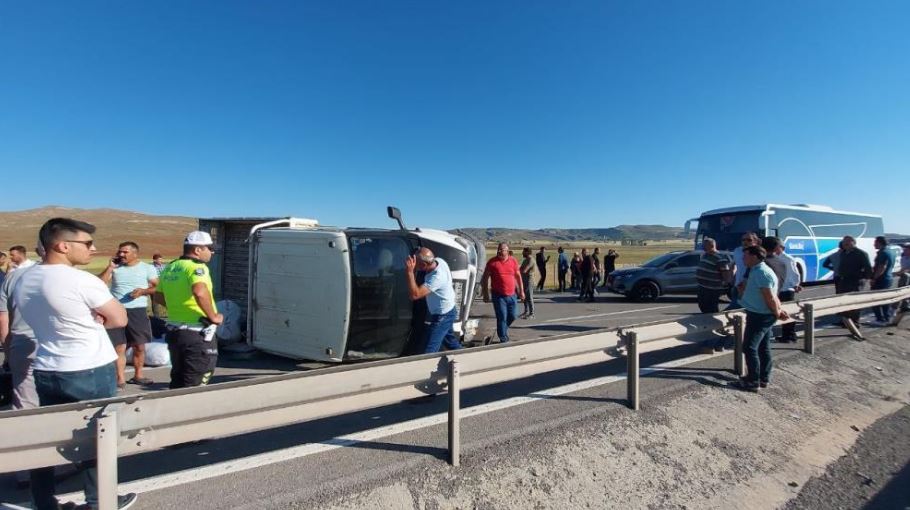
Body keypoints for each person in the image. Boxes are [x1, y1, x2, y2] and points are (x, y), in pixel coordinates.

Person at [12, 218, 136, 510]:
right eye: (87, 244)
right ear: (63, 245)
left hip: (46, 366)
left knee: (49, 439)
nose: (94, 250)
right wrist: (96, 317)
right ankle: (99, 500)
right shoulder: (81, 280)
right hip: (90, 367)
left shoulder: (23, 278)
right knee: (98, 438)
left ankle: (43, 501)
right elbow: (120, 318)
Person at [155, 231, 222, 389]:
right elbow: (199, 291)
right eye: (209, 248)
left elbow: (158, 296)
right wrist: (213, 316)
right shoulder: (197, 267)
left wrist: (178, 307)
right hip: (197, 332)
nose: (212, 252)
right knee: (196, 380)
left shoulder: (171, 267)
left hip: (175, 331)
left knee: (178, 378)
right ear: (198, 250)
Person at [99, 242, 159, 388]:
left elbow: (157, 287)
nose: (121, 255)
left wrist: (142, 291)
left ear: (134, 253)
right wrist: (110, 268)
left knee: (139, 345)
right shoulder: (116, 267)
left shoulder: (147, 268)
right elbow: (100, 283)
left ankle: (138, 375)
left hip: (137, 310)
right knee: (119, 346)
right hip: (116, 310)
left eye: (125, 252)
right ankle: (120, 378)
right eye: (120, 251)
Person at [735, 245, 789, 392]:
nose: (742, 259)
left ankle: (753, 381)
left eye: (745, 256)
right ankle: (763, 378)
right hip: (759, 313)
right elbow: (773, 295)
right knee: (763, 348)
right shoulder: (757, 270)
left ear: (754, 257)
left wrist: (777, 312)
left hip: (760, 315)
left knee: (749, 347)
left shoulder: (761, 273)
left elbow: (770, 297)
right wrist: (778, 310)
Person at [404, 248, 463, 353]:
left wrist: (409, 272)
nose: (413, 265)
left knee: (429, 350)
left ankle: (426, 368)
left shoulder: (437, 277)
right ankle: (466, 357)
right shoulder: (439, 261)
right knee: (450, 342)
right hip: (448, 310)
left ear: (423, 265)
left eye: (415, 263)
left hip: (442, 316)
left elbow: (415, 295)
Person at [481, 243, 524, 344]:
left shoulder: (513, 261)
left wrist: (521, 291)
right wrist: (485, 293)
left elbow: (518, 276)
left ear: (507, 251)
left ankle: (502, 329)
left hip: (512, 294)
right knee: (502, 317)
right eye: (498, 249)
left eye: (502, 249)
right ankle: (503, 338)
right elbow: (485, 278)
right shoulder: (492, 262)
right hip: (498, 295)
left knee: (513, 316)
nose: (499, 251)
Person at [834, 236, 872, 337]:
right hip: (844, 281)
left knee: (854, 302)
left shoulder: (861, 254)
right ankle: (845, 321)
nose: (845, 244)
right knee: (843, 301)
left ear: (853, 242)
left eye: (847, 242)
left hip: (856, 282)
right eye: (844, 242)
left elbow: (868, 269)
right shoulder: (843, 253)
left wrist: (861, 278)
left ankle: (855, 322)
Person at [695, 238, 733, 314]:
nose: (703, 247)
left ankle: (713, 321)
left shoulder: (720, 258)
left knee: (711, 308)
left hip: (712, 289)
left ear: (711, 245)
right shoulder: (705, 255)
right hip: (702, 287)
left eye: (705, 245)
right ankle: (707, 319)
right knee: (702, 306)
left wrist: (725, 283)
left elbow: (725, 273)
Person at [775, 241, 803, 342]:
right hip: (779, 290)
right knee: (782, 312)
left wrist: (795, 285)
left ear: (781, 248)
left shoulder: (788, 259)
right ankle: (786, 335)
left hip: (787, 289)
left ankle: (790, 336)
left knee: (788, 313)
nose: (774, 249)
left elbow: (795, 274)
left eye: (776, 247)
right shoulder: (774, 258)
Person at [727, 232, 759, 309]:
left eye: (749, 240)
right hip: (737, 286)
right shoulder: (737, 251)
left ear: (755, 241)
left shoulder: (759, 253)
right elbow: (733, 264)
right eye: (743, 240)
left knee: (735, 309)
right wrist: (731, 278)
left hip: (750, 288)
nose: (745, 242)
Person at [870, 236, 895, 325]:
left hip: (881, 279)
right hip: (888, 278)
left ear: (879, 242)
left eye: (875, 242)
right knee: (885, 299)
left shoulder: (882, 253)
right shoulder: (891, 251)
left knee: (874, 299)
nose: (874, 244)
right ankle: (886, 317)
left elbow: (882, 267)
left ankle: (879, 319)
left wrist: (874, 278)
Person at [519, 247, 536, 319]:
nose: (522, 253)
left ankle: (532, 314)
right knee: (524, 297)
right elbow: (520, 269)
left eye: (523, 252)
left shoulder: (531, 260)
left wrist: (520, 270)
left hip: (529, 280)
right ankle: (526, 311)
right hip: (524, 280)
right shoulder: (525, 260)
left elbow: (524, 270)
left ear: (527, 252)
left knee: (529, 297)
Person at [898, 243, 910, 314]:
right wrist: (900, 272)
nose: (904, 250)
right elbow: (903, 268)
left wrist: (906, 270)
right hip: (904, 276)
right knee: (903, 290)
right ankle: (904, 306)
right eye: (904, 249)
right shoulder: (903, 258)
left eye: (906, 249)